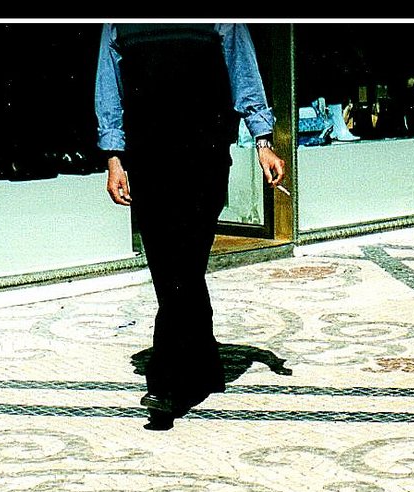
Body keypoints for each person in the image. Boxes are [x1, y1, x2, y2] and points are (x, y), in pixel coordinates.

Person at [95, 23, 286, 430]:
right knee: (170, 269)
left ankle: (165, 381)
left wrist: (263, 140)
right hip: (148, 159)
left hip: (205, 155)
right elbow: (108, 85)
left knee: (185, 263)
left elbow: (243, 69)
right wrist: (114, 157)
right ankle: (204, 362)